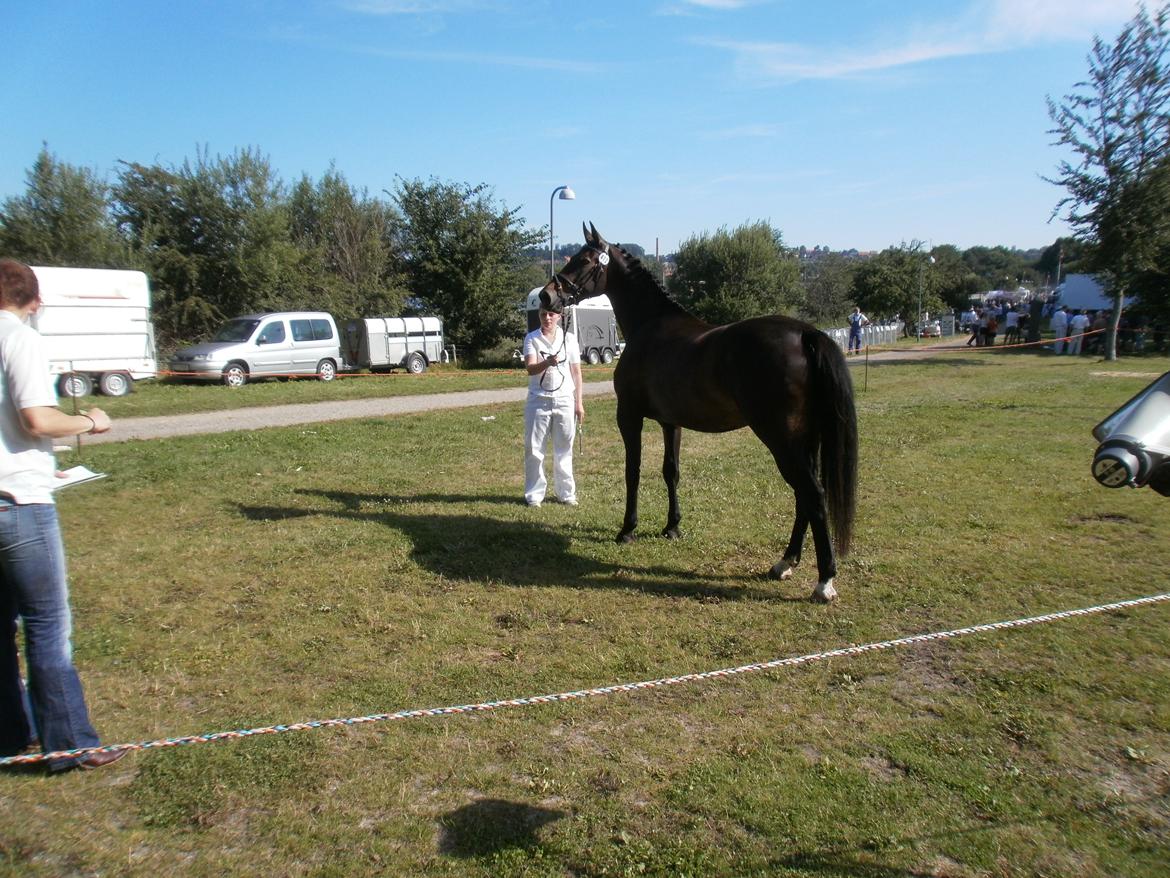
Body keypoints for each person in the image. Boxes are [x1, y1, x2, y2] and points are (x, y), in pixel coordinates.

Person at [0, 259, 123, 772]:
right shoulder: (19, 338)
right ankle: (69, 744)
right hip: (19, 507)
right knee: (48, 625)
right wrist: (90, 421)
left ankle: (11, 732)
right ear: (33, 300)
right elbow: (35, 418)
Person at [522, 300, 584, 508]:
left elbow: (576, 373)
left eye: (551, 314)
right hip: (538, 400)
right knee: (534, 449)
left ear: (559, 316)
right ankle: (534, 495)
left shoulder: (570, 339)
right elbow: (530, 368)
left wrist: (579, 403)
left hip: (565, 399)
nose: (547, 318)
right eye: (543, 314)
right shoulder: (532, 338)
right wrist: (547, 362)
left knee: (564, 448)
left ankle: (566, 494)